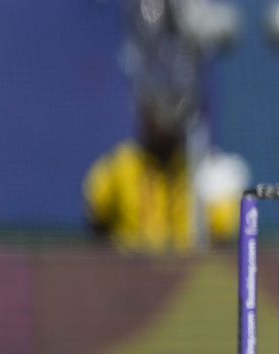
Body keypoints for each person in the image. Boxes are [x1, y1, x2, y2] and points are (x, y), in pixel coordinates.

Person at [85, 106, 238, 252]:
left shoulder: (204, 169)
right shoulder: (118, 166)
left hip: (185, 271)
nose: (161, 125)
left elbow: (222, 235)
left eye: (170, 115)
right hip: (129, 271)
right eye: (155, 115)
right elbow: (98, 223)